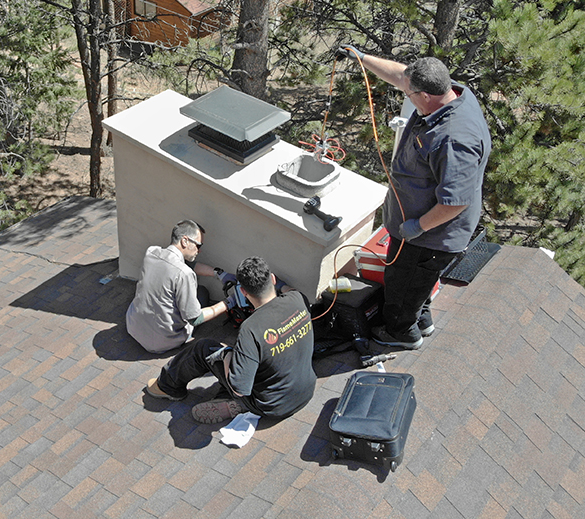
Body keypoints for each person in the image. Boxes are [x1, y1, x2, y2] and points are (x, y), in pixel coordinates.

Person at [337, 46, 491, 350]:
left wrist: (417, 226)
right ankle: (421, 317)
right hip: (420, 229)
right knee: (416, 285)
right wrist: (361, 58)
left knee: (402, 285)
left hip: (430, 237)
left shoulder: (453, 139)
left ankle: (401, 333)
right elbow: (401, 76)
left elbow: (455, 201)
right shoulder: (450, 95)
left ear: (425, 97)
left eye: (409, 95)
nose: (406, 96)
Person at [145, 256, 317, 424]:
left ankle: (166, 386)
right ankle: (226, 399)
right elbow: (289, 290)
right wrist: (280, 285)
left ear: (243, 292)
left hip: (269, 405)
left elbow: (239, 388)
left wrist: (227, 354)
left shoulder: (251, 328)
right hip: (305, 392)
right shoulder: (298, 299)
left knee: (204, 348)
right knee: (255, 358)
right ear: (271, 278)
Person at [126, 219, 235, 353]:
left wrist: (219, 273)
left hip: (133, 327)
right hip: (163, 340)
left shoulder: (151, 252)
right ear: (185, 241)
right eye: (199, 246)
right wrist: (228, 303)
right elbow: (195, 319)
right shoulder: (184, 274)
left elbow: (183, 264)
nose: (199, 251)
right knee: (202, 293)